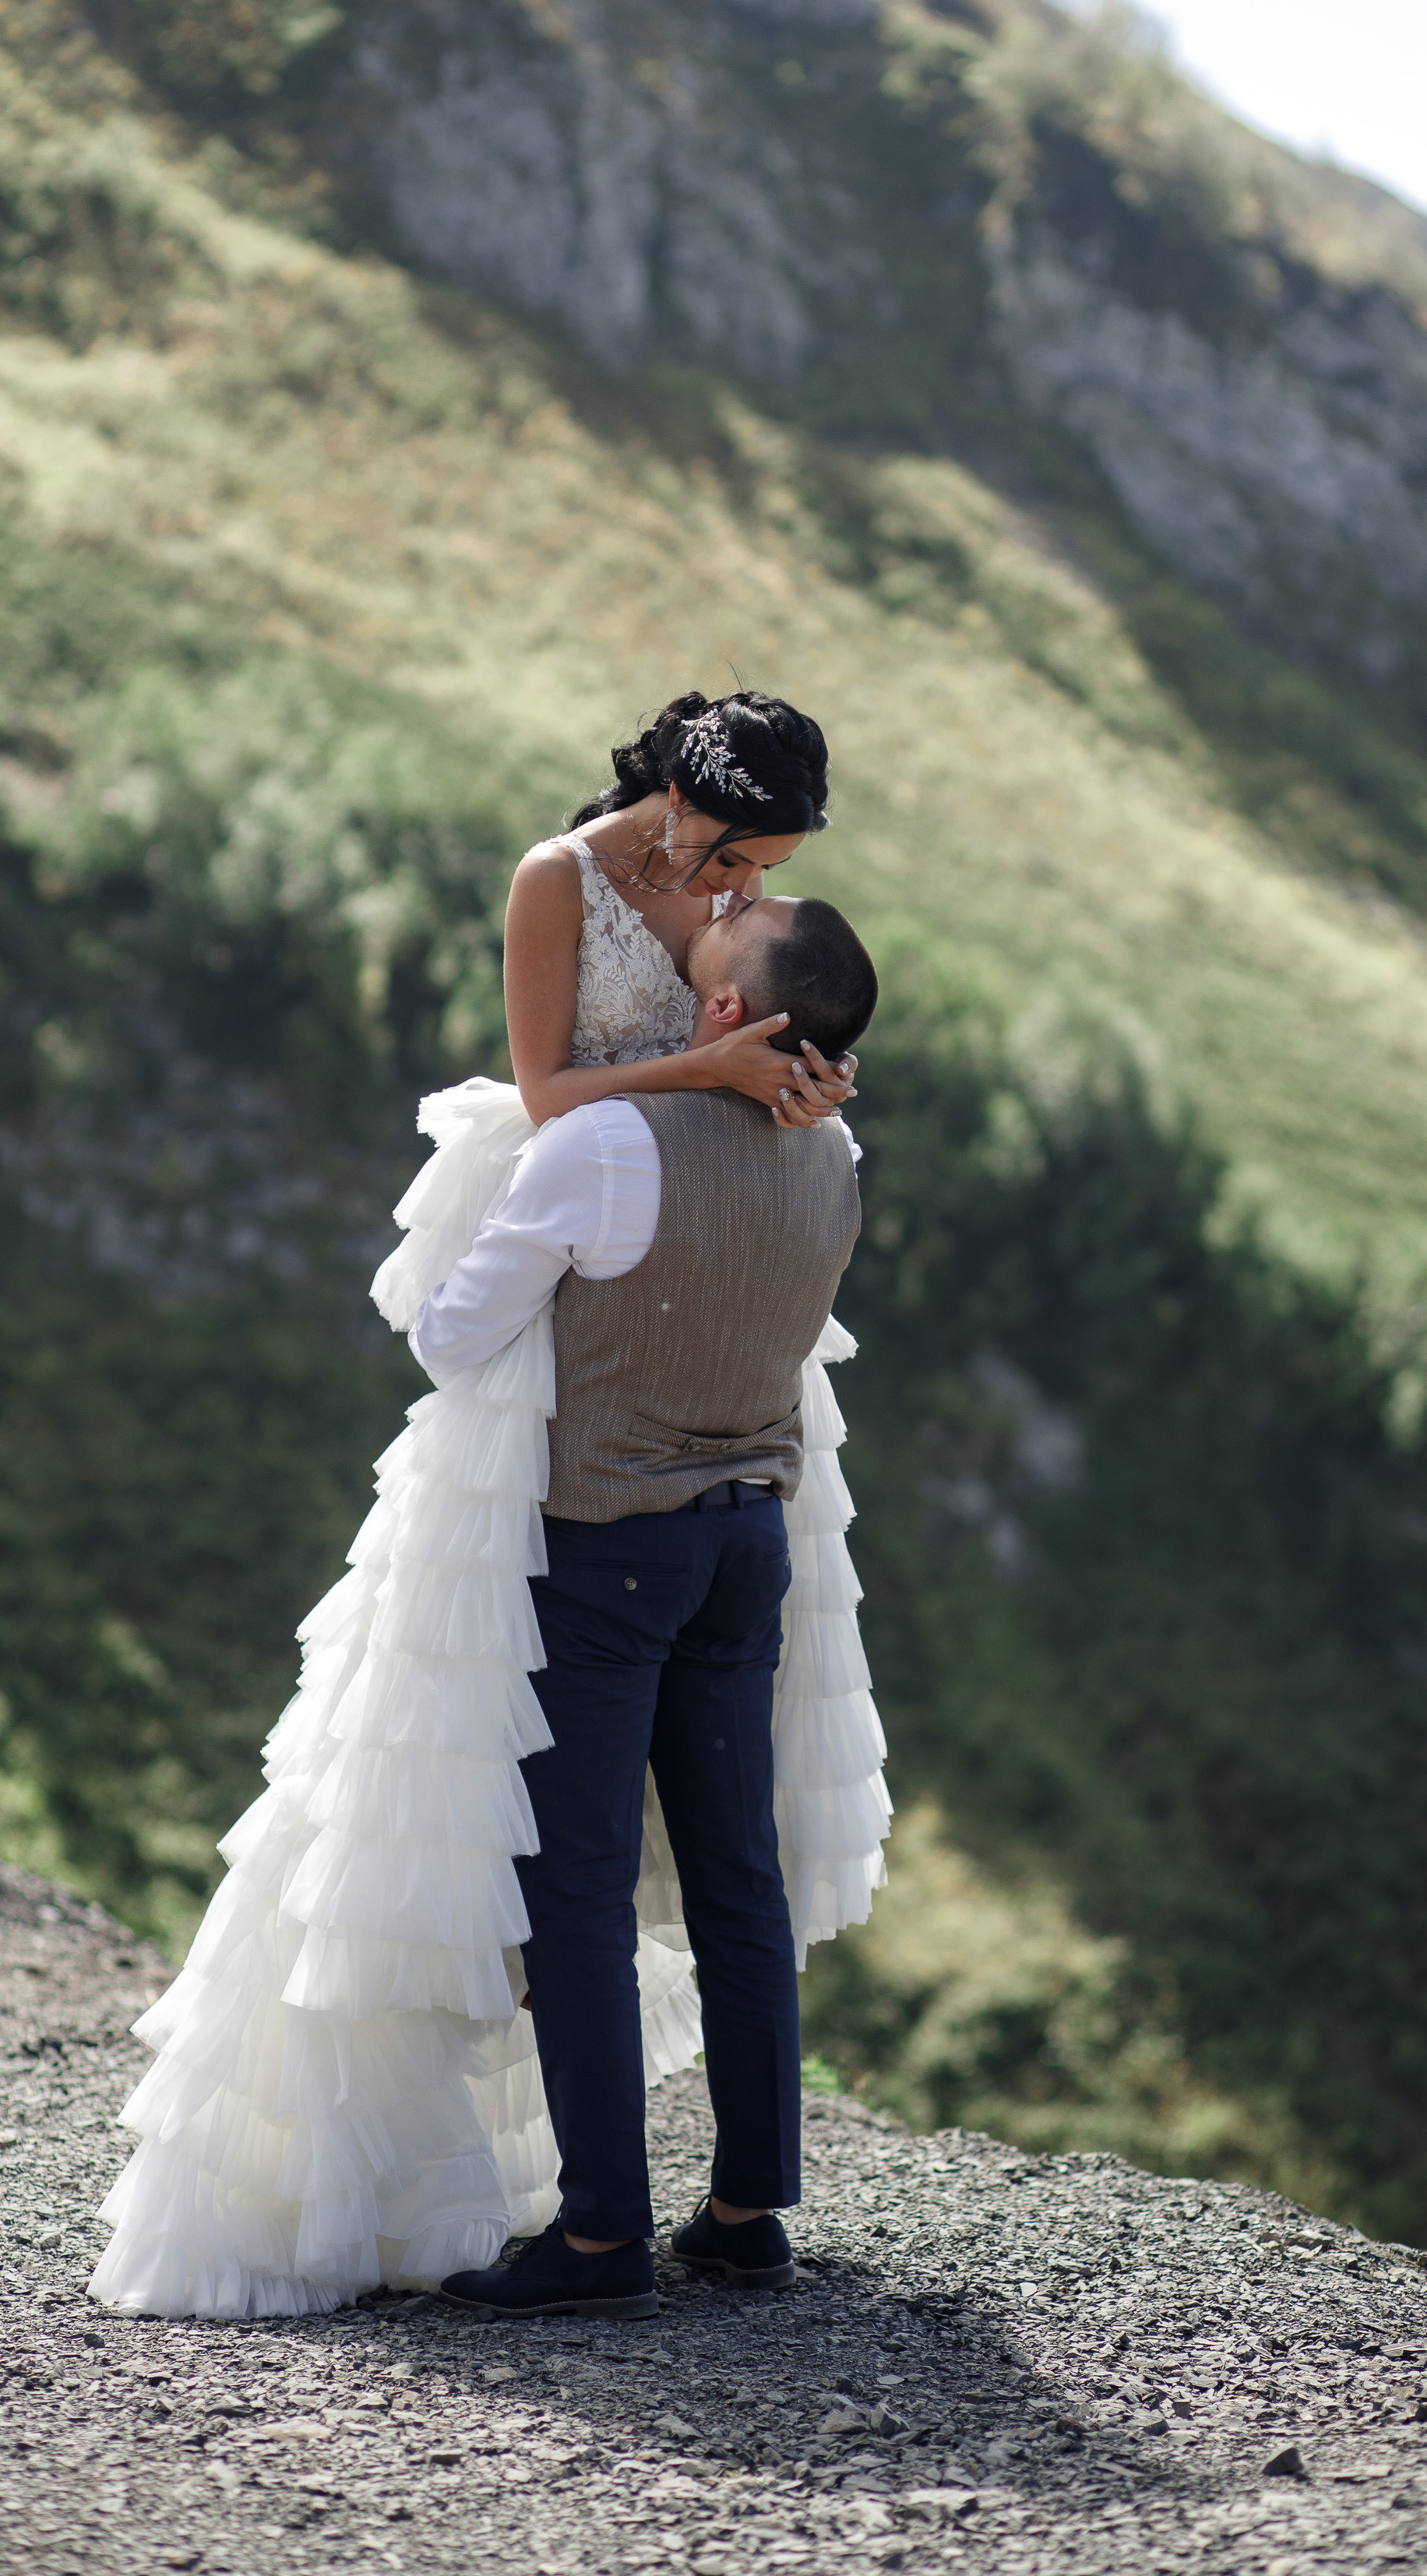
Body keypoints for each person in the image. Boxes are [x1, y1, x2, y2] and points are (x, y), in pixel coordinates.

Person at [88, 694, 890, 2319]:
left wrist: (777, 1073)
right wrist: (728, 1068)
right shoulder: (561, 880)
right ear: (672, 801)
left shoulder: (738, 928)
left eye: (766, 869)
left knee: (586, 1855)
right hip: (626, 1249)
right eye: (730, 851)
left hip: (647, 1296)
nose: (736, 889)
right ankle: (734, 2206)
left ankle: (603, 2226)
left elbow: (714, 1060)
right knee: (695, 1838)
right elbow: (547, 1088)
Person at [425, 889, 880, 2316]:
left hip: (613, 1541)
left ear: (729, 1011)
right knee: (738, 1872)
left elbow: (450, 1336)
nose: (713, 918)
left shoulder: (611, 1142)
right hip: (752, 1538)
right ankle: (747, 2212)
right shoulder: (836, 1156)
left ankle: (601, 2236)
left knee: (579, 1885)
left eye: (731, 936)